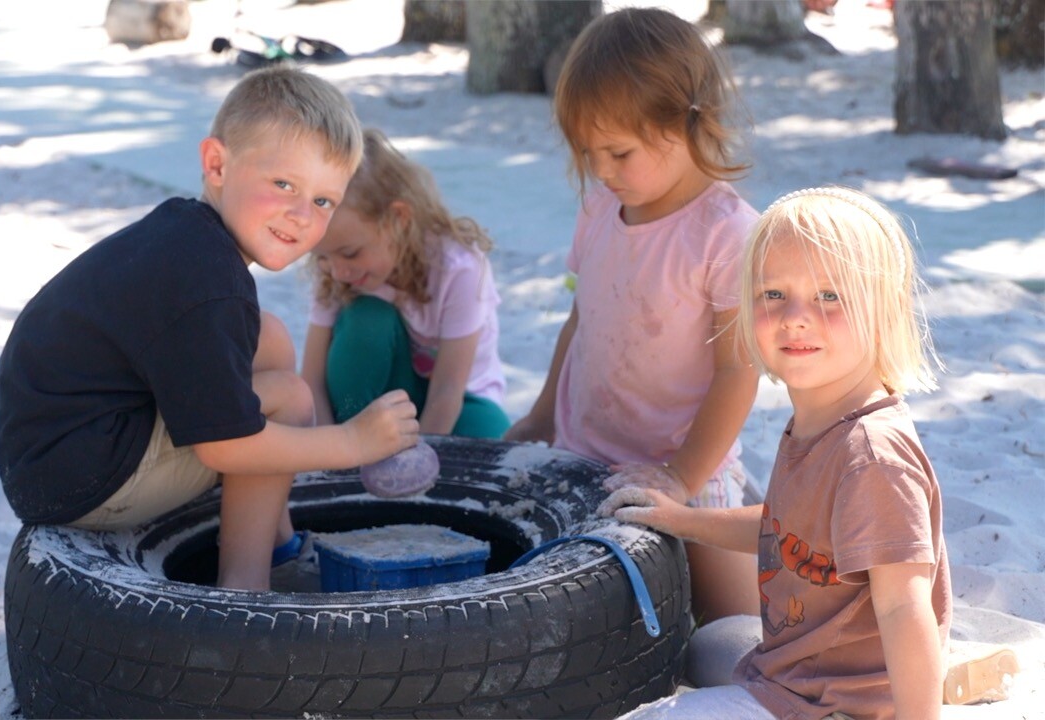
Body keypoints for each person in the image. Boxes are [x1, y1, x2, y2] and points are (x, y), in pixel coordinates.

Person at [0, 66, 420, 592]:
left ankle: (277, 541)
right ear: (217, 164)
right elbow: (227, 448)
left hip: (55, 449)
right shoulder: (211, 284)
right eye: (283, 184)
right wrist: (352, 442)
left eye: (323, 200)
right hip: (83, 480)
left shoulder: (187, 237)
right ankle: (245, 587)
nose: (302, 215)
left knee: (272, 338)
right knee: (286, 399)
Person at [608, 186, 953, 718]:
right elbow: (787, 530)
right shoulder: (821, 418)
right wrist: (682, 520)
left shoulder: (873, 455)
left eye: (830, 295)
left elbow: (904, 608)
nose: (796, 316)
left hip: (835, 703)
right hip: (792, 670)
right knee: (706, 645)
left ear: (882, 309)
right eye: (773, 294)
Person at [504, 7, 761, 622]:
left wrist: (679, 478)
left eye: (618, 151)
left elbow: (737, 374)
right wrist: (541, 416)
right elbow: (582, 318)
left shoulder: (727, 233)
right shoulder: (600, 209)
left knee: (735, 635)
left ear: (688, 122)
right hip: (585, 455)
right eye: (589, 152)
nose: (600, 170)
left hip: (687, 475)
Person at [301, 128, 510, 438]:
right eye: (322, 257)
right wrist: (331, 444)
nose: (338, 271)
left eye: (350, 253)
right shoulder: (336, 262)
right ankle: (353, 429)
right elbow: (312, 378)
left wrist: (414, 462)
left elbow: (447, 390)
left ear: (398, 218)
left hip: (461, 397)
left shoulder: (459, 267)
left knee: (490, 441)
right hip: (384, 397)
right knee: (365, 320)